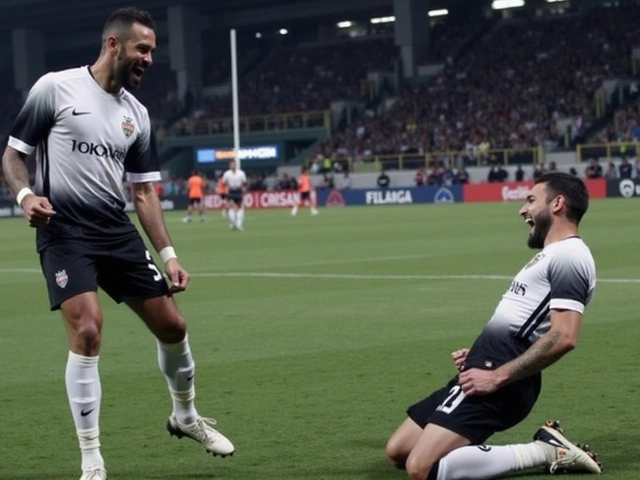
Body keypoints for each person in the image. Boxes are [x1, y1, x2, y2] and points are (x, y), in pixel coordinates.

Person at [1, 8, 234, 480]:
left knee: (173, 327)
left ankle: (185, 416)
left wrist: (169, 256)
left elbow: (143, 191)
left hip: (115, 229)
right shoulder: (55, 88)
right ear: (114, 45)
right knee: (87, 330)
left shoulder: (137, 114)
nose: (149, 58)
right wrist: (25, 196)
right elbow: (12, 156)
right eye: (142, 49)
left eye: (152, 50)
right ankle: (92, 461)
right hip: (63, 230)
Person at [385, 172, 602, 480]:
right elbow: (521, 322)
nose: (522, 210)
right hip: (484, 364)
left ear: (557, 203)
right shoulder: (551, 254)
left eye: (530, 200)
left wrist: (498, 375)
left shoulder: (570, 255)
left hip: (500, 376)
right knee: (399, 450)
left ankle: (544, 450)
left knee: (421, 469)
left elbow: (564, 335)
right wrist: (478, 352)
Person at [222, 159, 247, 230]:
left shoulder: (241, 173)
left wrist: (241, 185)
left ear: (236, 165)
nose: (233, 165)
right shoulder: (227, 173)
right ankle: (233, 222)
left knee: (239, 207)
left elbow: (245, 182)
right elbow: (224, 183)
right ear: (229, 166)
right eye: (232, 164)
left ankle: (238, 224)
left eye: (234, 164)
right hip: (231, 191)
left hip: (238, 191)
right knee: (232, 206)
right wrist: (229, 185)